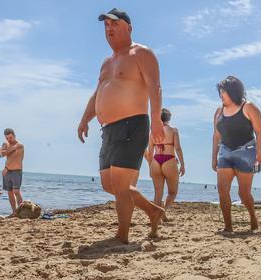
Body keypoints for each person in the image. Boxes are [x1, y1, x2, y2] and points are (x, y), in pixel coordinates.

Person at [77, 8, 165, 244]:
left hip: (133, 124)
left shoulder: (141, 53)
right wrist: (85, 118)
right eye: (105, 26)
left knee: (121, 184)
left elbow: (155, 88)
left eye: (114, 24)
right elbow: (98, 93)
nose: (109, 29)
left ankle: (122, 235)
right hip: (109, 129)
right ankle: (153, 211)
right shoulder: (107, 62)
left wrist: (156, 121)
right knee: (109, 184)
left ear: (128, 27)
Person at [212, 76, 261, 233]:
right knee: (222, 190)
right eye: (220, 92)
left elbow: (260, 132)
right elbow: (216, 136)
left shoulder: (248, 107)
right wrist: (213, 157)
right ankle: (228, 226)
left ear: (232, 92)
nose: (220, 95)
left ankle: (253, 220)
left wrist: (260, 153)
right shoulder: (218, 112)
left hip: (246, 152)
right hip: (225, 152)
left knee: (243, 193)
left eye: (223, 92)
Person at [144, 108, 185, 222]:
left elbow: (150, 152)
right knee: (172, 192)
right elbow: (177, 148)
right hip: (169, 160)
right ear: (169, 118)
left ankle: (156, 218)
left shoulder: (153, 133)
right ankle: (162, 211)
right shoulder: (173, 131)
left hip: (156, 161)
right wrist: (182, 164)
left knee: (158, 193)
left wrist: (150, 166)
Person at [0, 128, 25, 216]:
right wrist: (8, 149)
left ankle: (21, 212)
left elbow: (12, 156)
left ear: (14, 135)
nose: (9, 140)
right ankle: (14, 212)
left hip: (16, 171)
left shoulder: (20, 145)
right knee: (9, 193)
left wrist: (6, 150)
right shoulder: (5, 144)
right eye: (7, 138)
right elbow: (1, 155)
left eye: (10, 137)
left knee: (16, 191)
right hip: (7, 172)